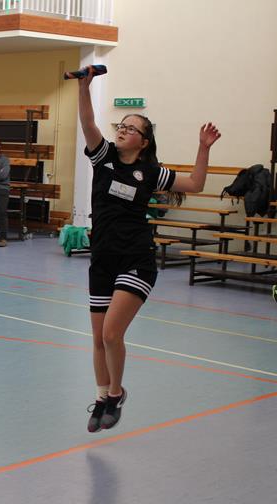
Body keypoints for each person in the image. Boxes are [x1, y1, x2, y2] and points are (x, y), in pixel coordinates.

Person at [75, 65, 221, 432]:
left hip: (136, 259)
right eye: (121, 125)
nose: (123, 130)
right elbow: (88, 121)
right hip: (102, 259)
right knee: (97, 339)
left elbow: (196, 183)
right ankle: (101, 397)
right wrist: (84, 87)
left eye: (131, 128)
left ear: (143, 141)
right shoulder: (103, 156)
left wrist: (203, 148)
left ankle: (116, 394)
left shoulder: (152, 172)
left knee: (112, 334)